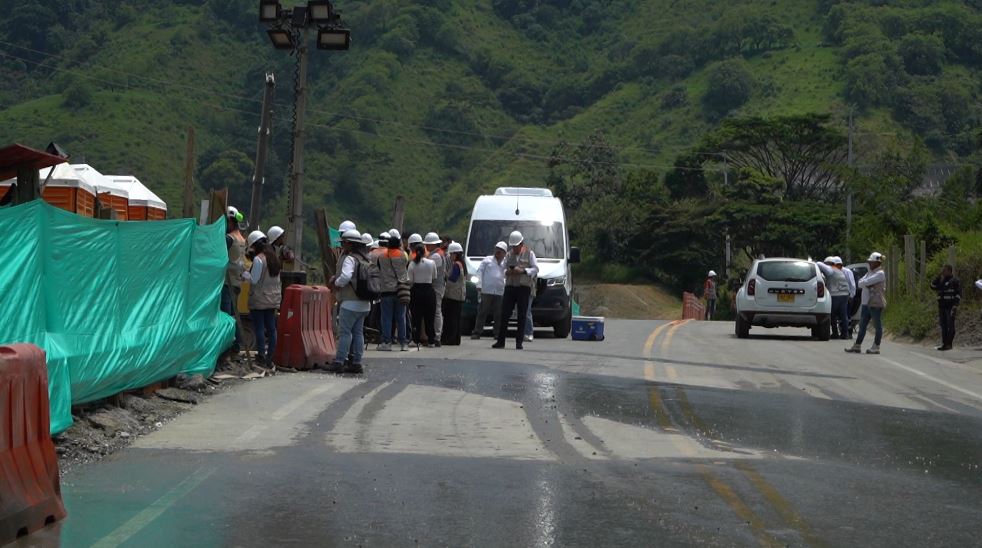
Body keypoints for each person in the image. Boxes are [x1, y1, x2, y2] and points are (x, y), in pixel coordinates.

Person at [326, 229, 372, 374]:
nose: (342, 245)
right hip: (365, 303)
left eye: (344, 243)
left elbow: (346, 276)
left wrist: (336, 282)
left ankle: (340, 361)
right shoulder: (366, 258)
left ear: (349, 244)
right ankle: (357, 362)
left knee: (345, 333)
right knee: (358, 333)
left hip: (350, 302)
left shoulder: (350, 259)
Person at [242, 230, 282, 369]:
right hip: (273, 298)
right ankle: (270, 357)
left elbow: (254, 280)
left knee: (259, 328)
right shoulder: (273, 258)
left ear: (255, 245)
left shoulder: (259, 259)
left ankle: (261, 356)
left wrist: (245, 273)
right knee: (271, 329)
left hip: (259, 299)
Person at [494, 231, 539, 350]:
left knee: (522, 315)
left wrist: (523, 271)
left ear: (521, 244)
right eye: (512, 246)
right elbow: (502, 269)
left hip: (523, 287)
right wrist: (507, 272)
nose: (514, 248)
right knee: (505, 314)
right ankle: (500, 341)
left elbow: (535, 269)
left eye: (516, 246)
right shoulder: (508, 255)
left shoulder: (530, 254)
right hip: (510, 287)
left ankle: (519, 342)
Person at [846, 252, 887, 355]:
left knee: (877, 326)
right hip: (866, 303)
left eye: (871, 262)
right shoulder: (870, 272)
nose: (869, 264)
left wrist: (866, 283)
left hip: (875, 303)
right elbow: (860, 283)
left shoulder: (880, 273)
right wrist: (866, 283)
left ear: (877, 263)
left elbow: (864, 282)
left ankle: (876, 346)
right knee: (862, 325)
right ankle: (857, 345)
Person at [377, 230, 410, 352]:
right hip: (400, 290)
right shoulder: (402, 256)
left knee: (386, 317)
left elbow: (380, 269)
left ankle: (387, 342)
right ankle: (403, 343)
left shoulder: (381, 257)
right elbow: (405, 265)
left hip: (386, 290)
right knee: (401, 317)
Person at [222, 207, 247, 354]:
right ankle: (236, 346)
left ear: (230, 222)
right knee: (234, 316)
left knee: (226, 317)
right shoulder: (243, 240)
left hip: (227, 282)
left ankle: (228, 348)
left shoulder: (229, 239)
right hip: (237, 282)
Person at [472, 242, 508, 340]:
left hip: (500, 291)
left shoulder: (506, 263)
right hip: (486, 290)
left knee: (498, 314)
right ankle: (477, 332)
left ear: (505, 252)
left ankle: (497, 333)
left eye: (500, 250)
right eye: (497, 249)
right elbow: (479, 272)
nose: (498, 251)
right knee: (482, 312)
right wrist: (479, 284)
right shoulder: (487, 260)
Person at [408, 238, 438, 347]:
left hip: (416, 291)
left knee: (416, 317)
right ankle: (431, 340)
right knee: (429, 316)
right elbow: (434, 277)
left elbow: (410, 280)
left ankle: (415, 340)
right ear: (425, 252)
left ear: (415, 252)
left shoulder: (412, 264)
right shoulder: (431, 263)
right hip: (429, 290)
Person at [816, 257, 850, 339]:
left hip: (835, 295)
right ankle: (845, 334)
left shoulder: (830, 270)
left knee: (832, 315)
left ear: (828, 264)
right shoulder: (839, 271)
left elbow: (818, 264)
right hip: (845, 294)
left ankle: (835, 333)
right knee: (843, 315)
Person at [930, 265, 961, 351]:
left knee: (950, 325)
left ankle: (949, 344)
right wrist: (938, 276)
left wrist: (955, 305)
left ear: (950, 271)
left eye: (945, 270)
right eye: (942, 270)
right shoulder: (941, 281)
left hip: (950, 307)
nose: (943, 272)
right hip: (942, 307)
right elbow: (932, 286)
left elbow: (958, 294)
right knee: (943, 326)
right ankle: (944, 344)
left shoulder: (955, 281)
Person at [424, 232, 447, 347]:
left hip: (436, 286)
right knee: (435, 310)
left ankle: (437, 335)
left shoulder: (436, 256)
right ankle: (435, 335)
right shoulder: (437, 254)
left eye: (428, 244)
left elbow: (430, 271)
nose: (426, 246)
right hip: (437, 285)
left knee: (437, 310)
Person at [441, 242, 466, 346]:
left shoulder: (456, 265)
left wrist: (445, 274)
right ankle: (456, 339)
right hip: (459, 295)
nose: (450, 256)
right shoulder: (462, 264)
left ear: (455, 254)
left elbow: (453, 278)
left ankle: (450, 339)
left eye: (451, 254)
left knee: (451, 319)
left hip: (453, 295)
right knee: (456, 318)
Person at [834, 257, 857, 338]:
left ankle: (848, 333)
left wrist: (851, 296)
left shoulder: (847, 272)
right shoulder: (835, 272)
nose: (837, 267)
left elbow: (852, 285)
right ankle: (843, 332)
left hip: (848, 296)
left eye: (838, 265)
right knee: (841, 316)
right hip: (840, 297)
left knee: (847, 315)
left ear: (841, 265)